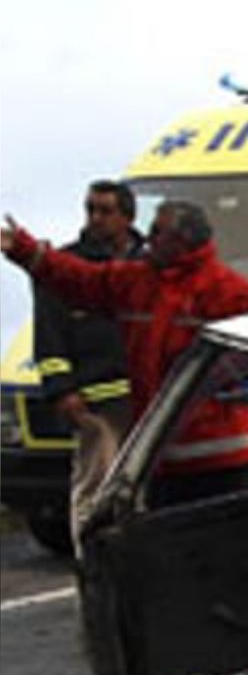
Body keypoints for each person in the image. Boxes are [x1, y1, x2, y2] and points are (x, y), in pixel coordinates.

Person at [3, 201, 248, 506]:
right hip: (158, 453)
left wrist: (220, 377)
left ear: (181, 241)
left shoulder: (227, 290)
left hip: (219, 457)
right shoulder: (138, 281)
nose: (148, 238)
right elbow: (82, 279)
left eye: (157, 231)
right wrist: (26, 251)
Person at [33, 180, 147, 542]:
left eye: (105, 211)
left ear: (128, 217)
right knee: (94, 489)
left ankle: (141, 571)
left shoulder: (150, 264)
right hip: (95, 401)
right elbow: (49, 337)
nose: (95, 218)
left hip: (148, 397)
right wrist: (62, 390)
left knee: (145, 487)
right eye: (90, 209)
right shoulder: (65, 267)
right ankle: (92, 570)